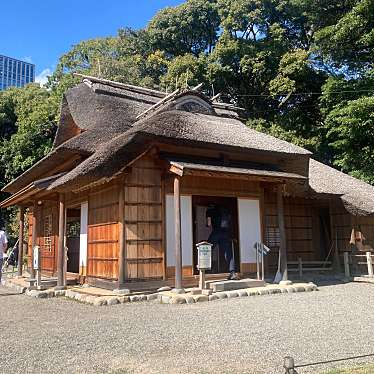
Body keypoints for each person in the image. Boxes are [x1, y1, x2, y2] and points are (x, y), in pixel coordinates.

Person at [206, 204, 239, 280]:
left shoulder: (209, 211)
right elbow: (230, 222)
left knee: (207, 249)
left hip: (216, 232)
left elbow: (209, 224)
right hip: (226, 233)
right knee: (228, 252)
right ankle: (232, 272)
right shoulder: (225, 210)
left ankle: (206, 269)